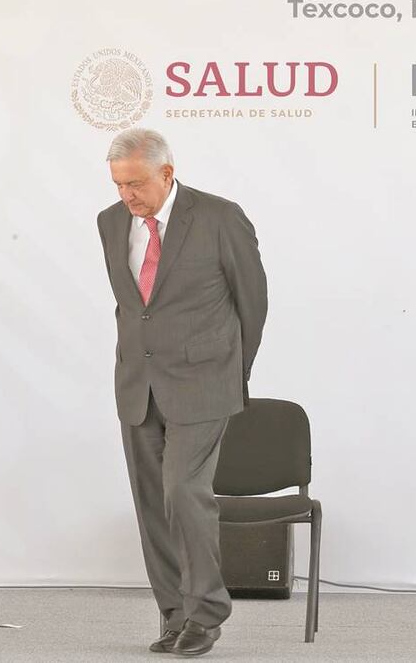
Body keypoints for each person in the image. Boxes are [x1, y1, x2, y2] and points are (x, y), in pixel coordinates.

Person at [97, 128, 268, 656]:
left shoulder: (219, 217)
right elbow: (133, 306)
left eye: (136, 184)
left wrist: (230, 374)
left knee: (183, 493)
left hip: (204, 382)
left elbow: (252, 303)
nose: (127, 196)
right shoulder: (109, 223)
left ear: (167, 173)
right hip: (137, 386)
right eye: (119, 185)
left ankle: (207, 612)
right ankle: (174, 614)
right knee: (153, 504)